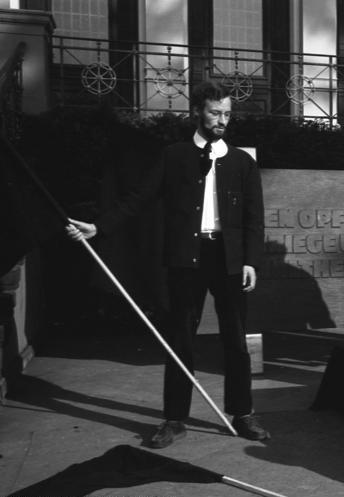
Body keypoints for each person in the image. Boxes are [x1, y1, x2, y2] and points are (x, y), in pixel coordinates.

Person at [66, 81, 268, 447]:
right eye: (214, 112)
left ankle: (243, 414)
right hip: (186, 259)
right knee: (180, 340)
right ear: (198, 111)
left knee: (236, 341)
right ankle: (174, 419)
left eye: (226, 114)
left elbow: (255, 219)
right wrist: (99, 227)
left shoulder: (242, 162)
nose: (221, 120)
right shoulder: (173, 155)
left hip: (229, 259)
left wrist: (252, 261)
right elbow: (139, 198)